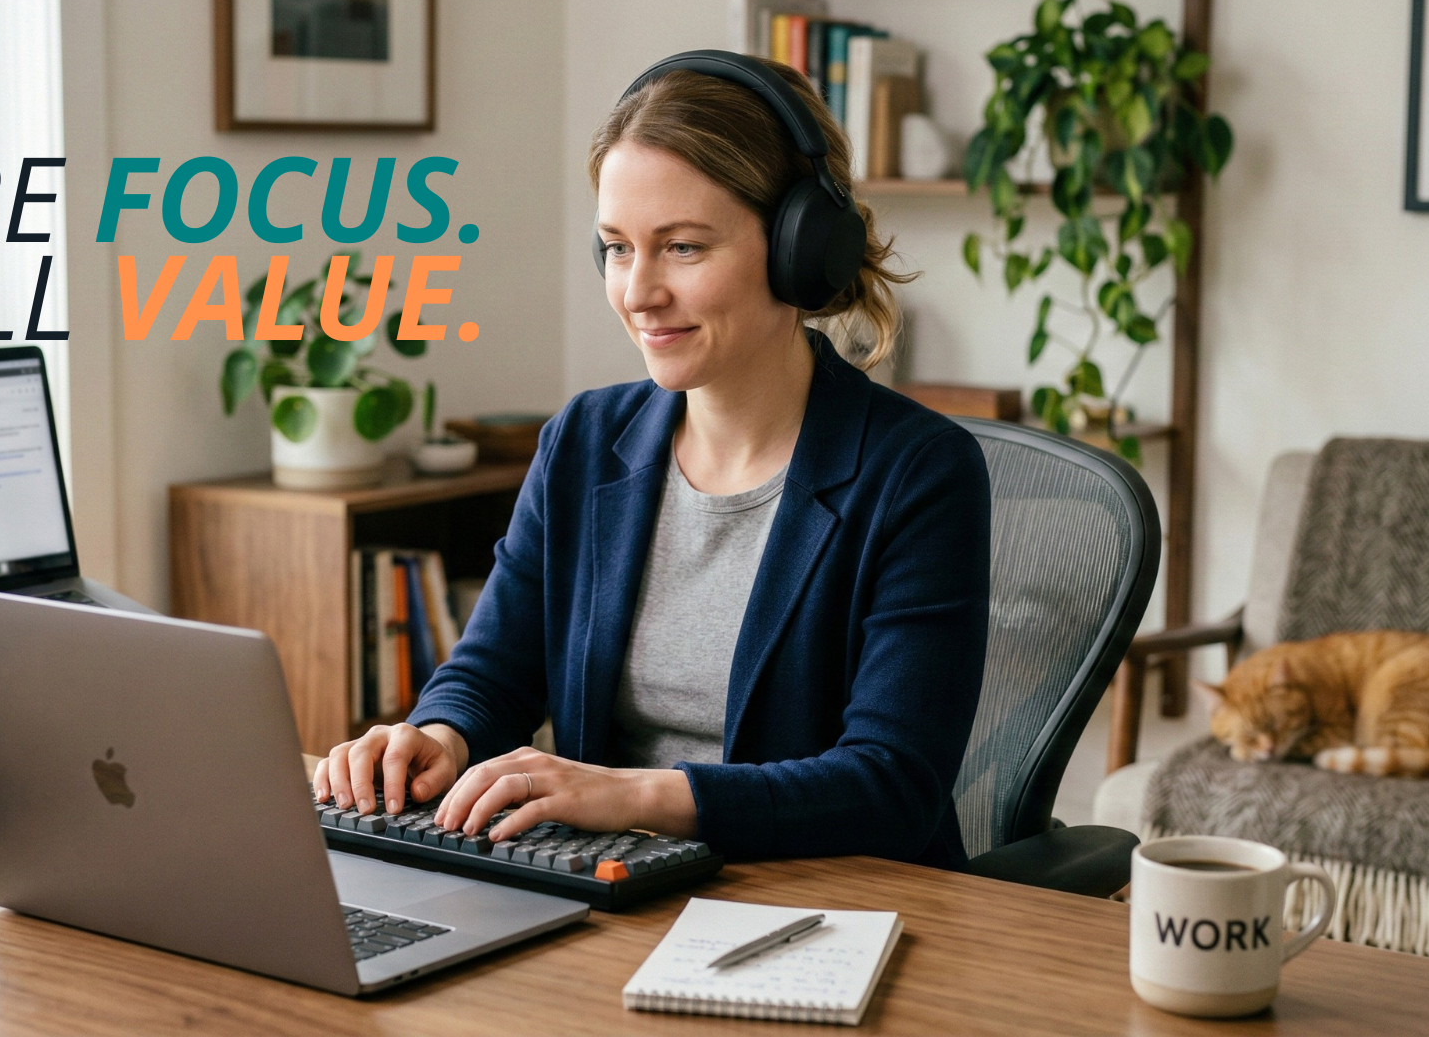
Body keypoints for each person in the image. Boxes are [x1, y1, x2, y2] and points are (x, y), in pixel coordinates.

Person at [313, 53, 992, 869]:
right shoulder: (583, 440)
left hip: (832, 907)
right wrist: (438, 735)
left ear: (799, 247)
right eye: (617, 248)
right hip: (615, 892)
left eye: (682, 247)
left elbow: (892, 787)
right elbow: (493, 674)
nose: (638, 292)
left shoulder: (919, 473)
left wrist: (633, 796)